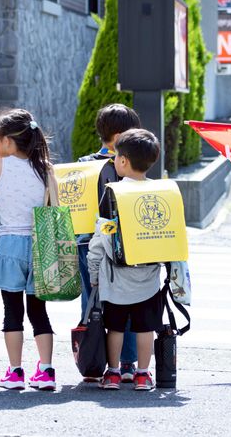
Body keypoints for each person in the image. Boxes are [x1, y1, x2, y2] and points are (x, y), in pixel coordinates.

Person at [0, 109, 57, 390]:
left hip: (11, 245)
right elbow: (55, 206)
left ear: (7, 142)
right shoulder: (46, 168)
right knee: (39, 311)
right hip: (41, 245)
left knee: (11, 311)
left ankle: (15, 372)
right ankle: (47, 370)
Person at [87, 129, 163, 391]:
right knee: (145, 329)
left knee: (115, 328)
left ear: (123, 161)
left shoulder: (112, 193)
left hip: (115, 278)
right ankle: (142, 374)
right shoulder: (160, 192)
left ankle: (114, 373)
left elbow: (100, 238)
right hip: (149, 277)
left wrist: (94, 272)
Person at [76, 103, 141, 383]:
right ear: (119, 136)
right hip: (124, 245)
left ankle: (92, 361)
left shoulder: (82, 165)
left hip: (86, 242)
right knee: (126, 301)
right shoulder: (129, 165)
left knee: (91, 302)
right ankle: (126, 364)